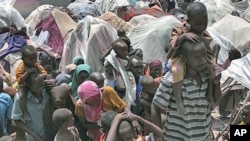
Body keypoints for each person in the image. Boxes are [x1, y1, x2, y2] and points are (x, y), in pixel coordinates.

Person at [152, 39, 222, 140]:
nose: (203, 60)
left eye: (204, 55)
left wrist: (216, 82)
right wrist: (158, 136)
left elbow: (216, 102)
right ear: (184, 59)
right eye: (197, 57)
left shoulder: (206, 76)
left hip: (203, 137)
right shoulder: (173, 79)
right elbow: (155, 106)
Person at [166, 2, 216, 114]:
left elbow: (209, 51)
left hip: (200, 60)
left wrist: (211, 61)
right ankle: (178, 99)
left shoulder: (205, 34)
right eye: (198, 24)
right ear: (188, 21)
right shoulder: (179, 30)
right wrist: (183, 37)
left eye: (205, 23)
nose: (202, 26)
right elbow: (172, 45)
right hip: (180, 58)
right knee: (177, 70)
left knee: (213, 69)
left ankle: (209, 94)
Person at [12, 71, 49, 141]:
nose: (41, 89)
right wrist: (34, 134)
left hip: (49, 135)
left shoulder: (47, 92)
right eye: (37, 87)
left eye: (42, 86)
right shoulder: (20, 98)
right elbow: (16, 120)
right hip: (33, 138)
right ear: (29, 85)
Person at [15, 45, 47, 121]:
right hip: (24, 85)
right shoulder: (21, 67)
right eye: (30, 59)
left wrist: (42, 76)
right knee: (22, 96)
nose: (33, 61)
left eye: (35, 58)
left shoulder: (36, 64)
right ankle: (25, 112)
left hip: (36, 83)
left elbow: (45, 73)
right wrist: (28, 72)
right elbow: (20, 80)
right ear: (23, 59)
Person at [104, 38, 136, 109]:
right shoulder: (111, 61)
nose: (125, 53)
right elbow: (121, 86)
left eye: (126, 50)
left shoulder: (127, 59)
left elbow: (129, 68)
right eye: (122, 51)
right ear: (115, 52)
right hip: (115, 86)